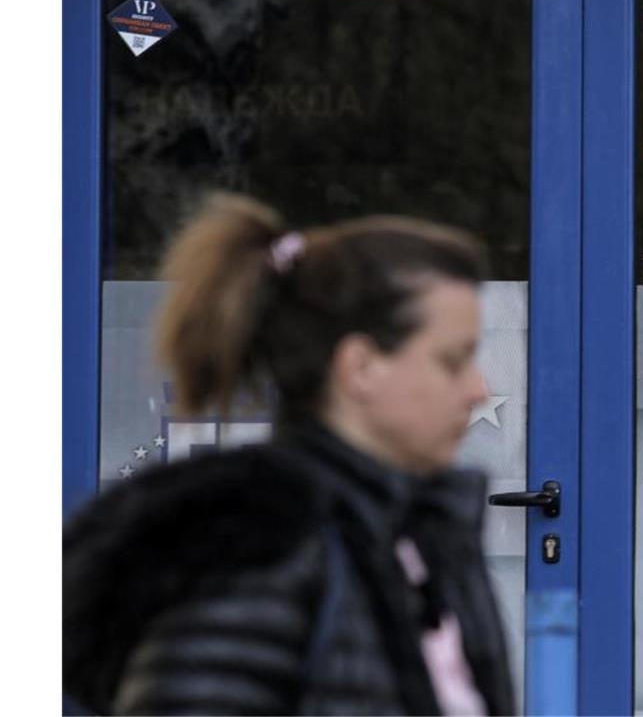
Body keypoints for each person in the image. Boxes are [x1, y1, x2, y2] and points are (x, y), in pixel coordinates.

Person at [63, 194, 516, 716]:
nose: (479, 389)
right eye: (452, 361)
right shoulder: (256, 544)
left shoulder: (420, 538)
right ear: (361, 367)